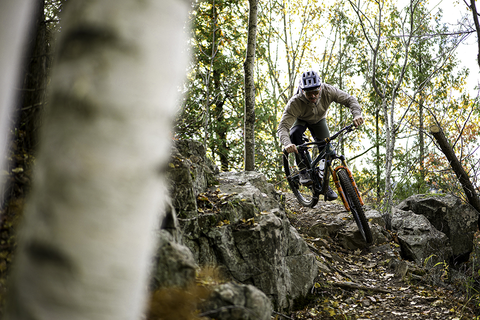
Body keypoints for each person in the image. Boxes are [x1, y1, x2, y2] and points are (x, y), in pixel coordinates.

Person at [277, 70, 364, 201]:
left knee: (328, 150)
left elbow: (349, 99)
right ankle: (303, 171)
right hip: (300, 119)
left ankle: (324, 184)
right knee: (295, 134)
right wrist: (287, 144)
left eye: (316, 92)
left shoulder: (328, 90)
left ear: (320, 88)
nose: (313, 96)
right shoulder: (295, 103)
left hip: (319, 120)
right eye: (308, 93)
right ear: (301, 91)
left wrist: (356, 114)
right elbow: (283, 127)